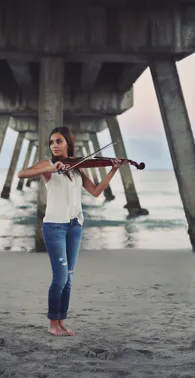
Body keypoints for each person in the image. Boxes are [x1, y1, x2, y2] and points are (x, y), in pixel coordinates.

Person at [17, 126, 124, 337]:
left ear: (68, 143)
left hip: (74, 226)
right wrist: (50, 170)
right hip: (54, 226)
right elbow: (22, 173)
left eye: (59, 141)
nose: (54, 146)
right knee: (60, 277)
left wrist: (113, 170)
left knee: (69, 277)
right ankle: (52, 323)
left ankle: (61, 321)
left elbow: (95, 192)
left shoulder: (77, 168)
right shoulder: (48, 165)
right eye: (51, 142)